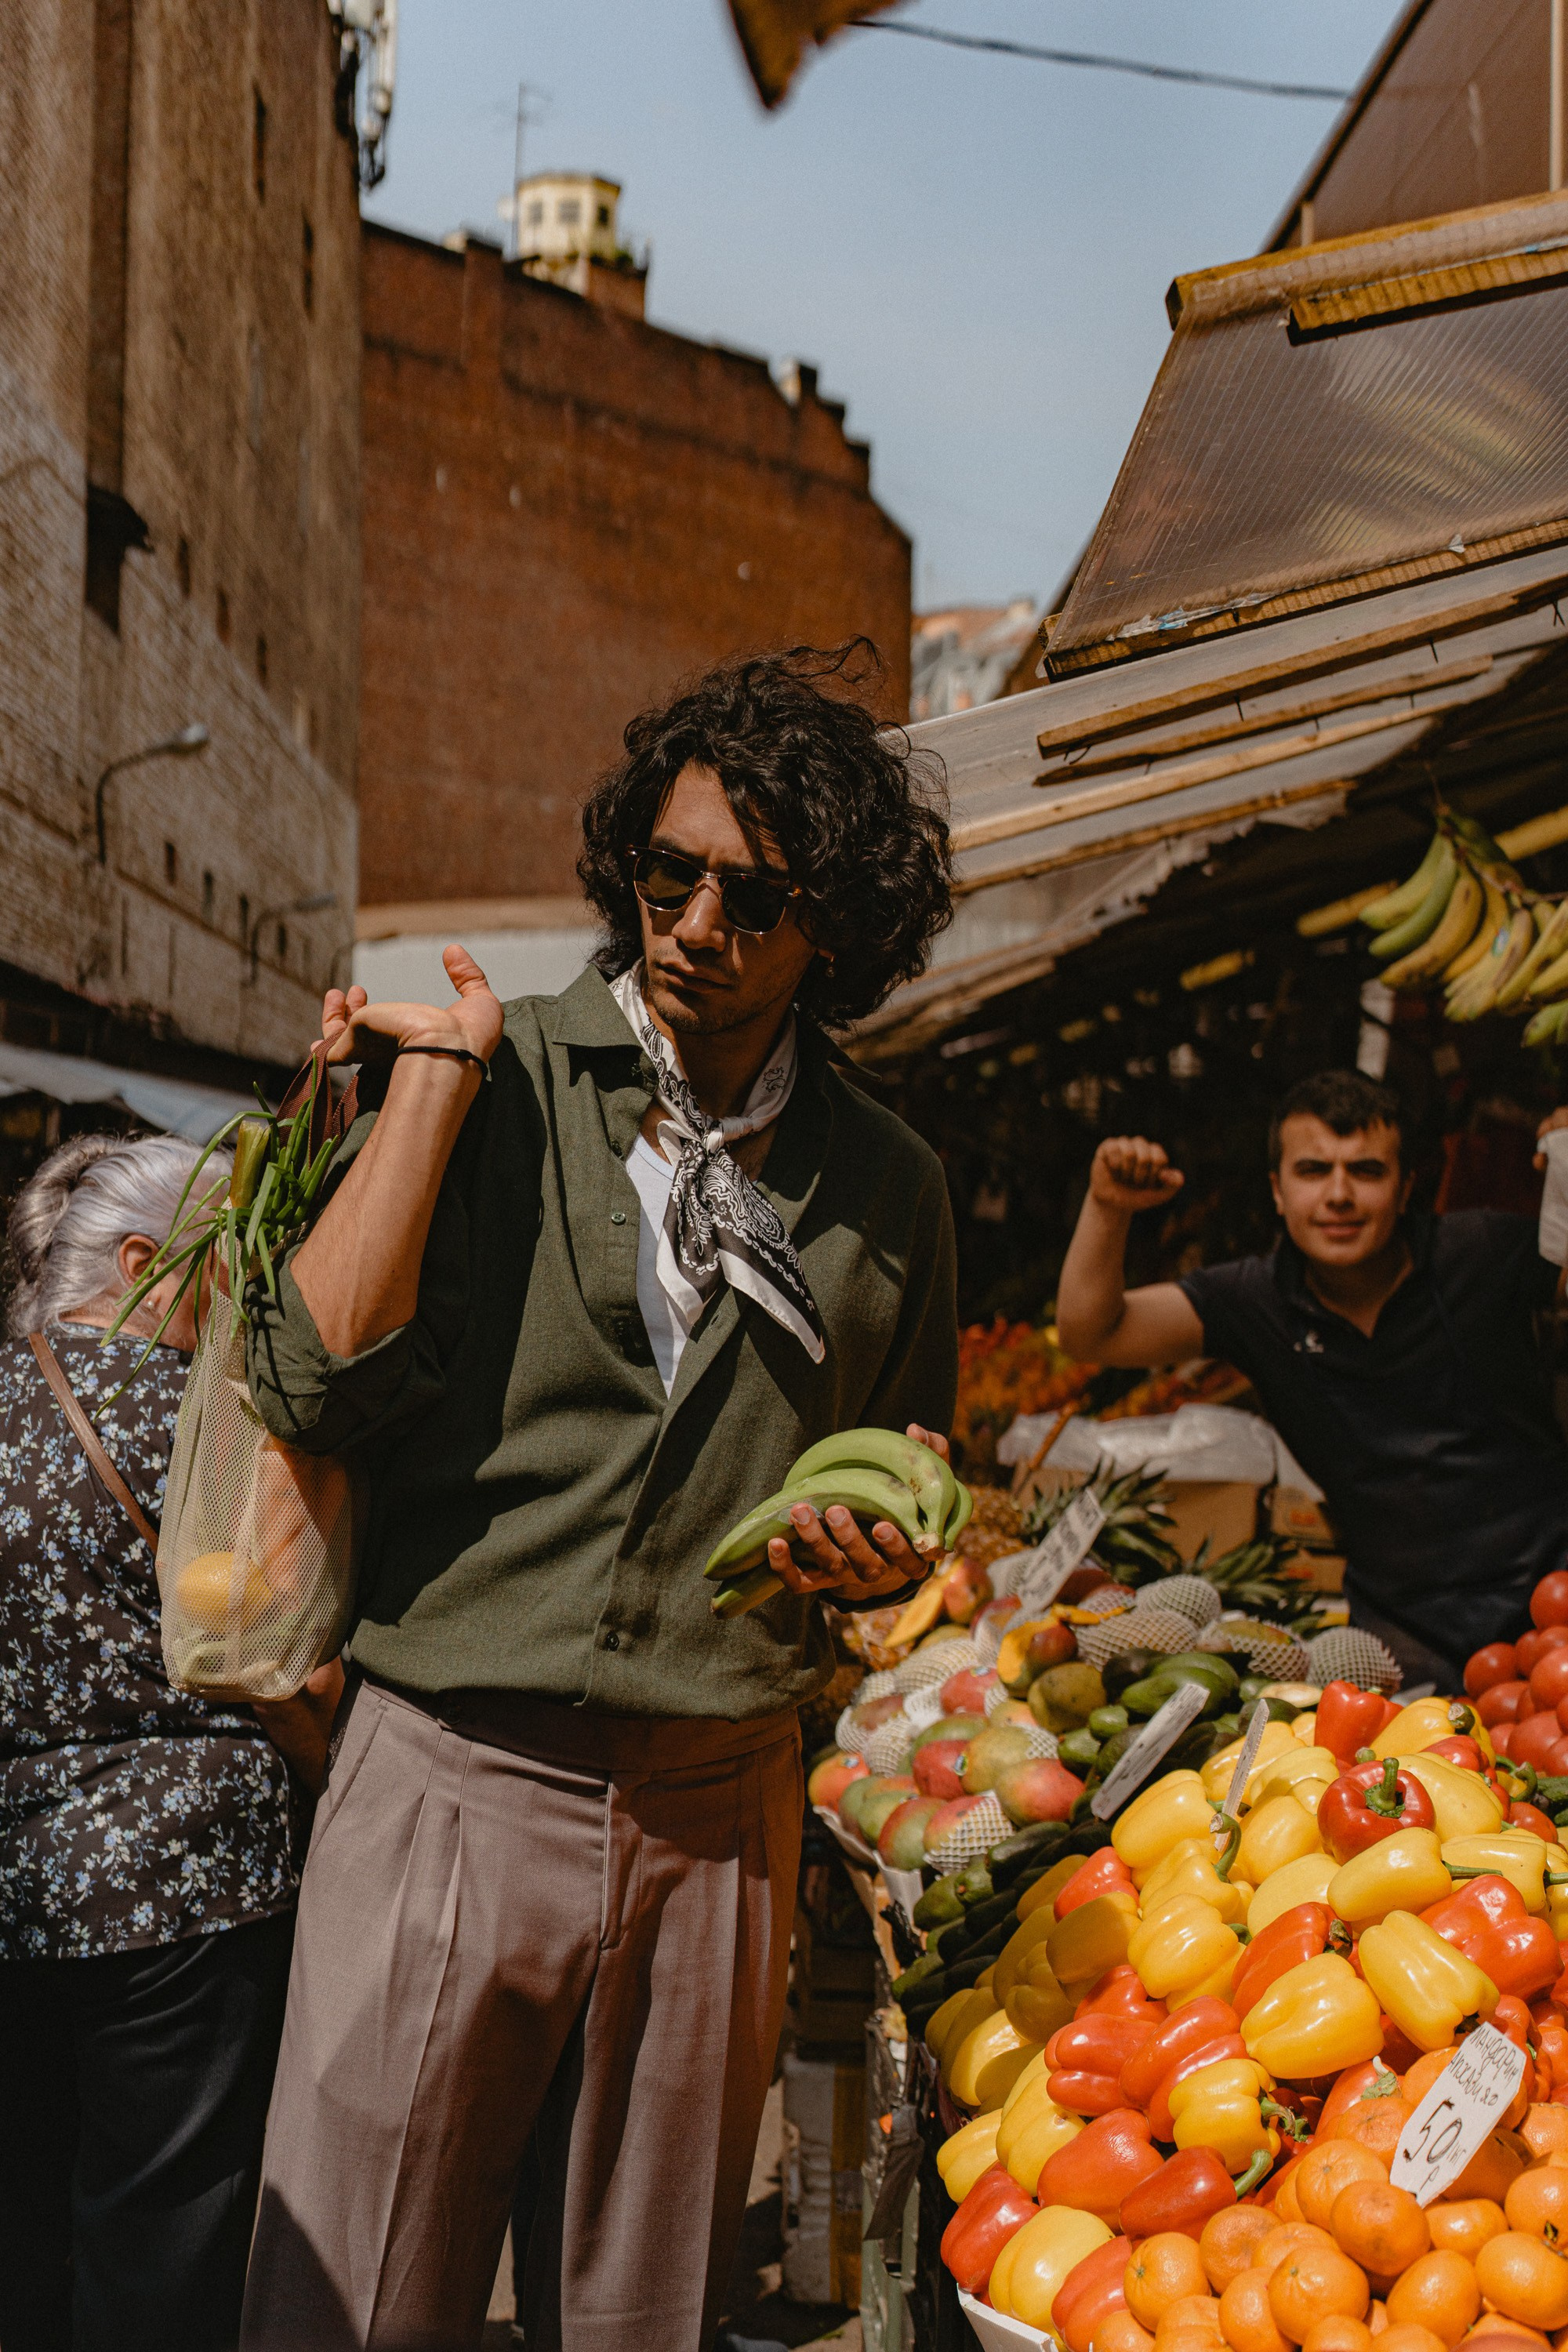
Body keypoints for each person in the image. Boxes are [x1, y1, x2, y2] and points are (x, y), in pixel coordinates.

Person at [238, 644, 960, 2352]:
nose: (697, 923)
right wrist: (424, 1092)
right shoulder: (501, 1085)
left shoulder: (887, 1188)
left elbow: (910, 1464)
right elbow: (310, 1379)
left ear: (834, 933)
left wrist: (869, 1565)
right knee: (352, 2292)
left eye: (756, 896)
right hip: (450, 1777)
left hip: (720, 1806)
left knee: (641, 2313)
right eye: (668, 871)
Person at [0, 1133, 342, 2352]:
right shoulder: (221, 1431)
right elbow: (292, 1660)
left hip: (17, 1888)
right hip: (186, 1902)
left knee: (21, 2229)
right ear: (150, 1261)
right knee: (161, 2241)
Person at [1055, 1067, 1568, 1686]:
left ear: (1406, 1187)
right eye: (1313, 1170)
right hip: (1403, 1640)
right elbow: (1093, 1334)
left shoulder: (1483, 1249)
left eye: (1367, 1170)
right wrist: (1108, 1207)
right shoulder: (1252, 1300)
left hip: (1554, 1603)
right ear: (1277, 1190)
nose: (1339, 1194)